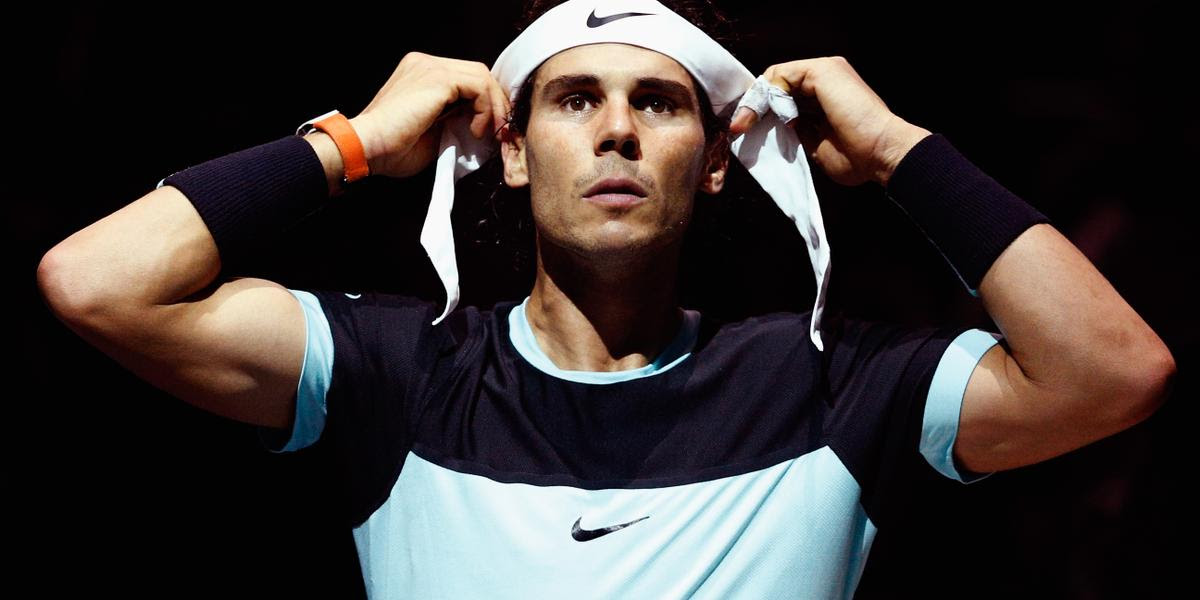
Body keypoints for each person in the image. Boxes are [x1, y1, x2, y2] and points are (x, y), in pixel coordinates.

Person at [37, 0, 1175, 598]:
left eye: (659, 103)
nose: (619, 127)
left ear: (720, 162)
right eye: (575, 99)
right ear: (514, 151)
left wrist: (898, 152)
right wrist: (348, 143)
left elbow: (1116, 371)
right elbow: (95, 283)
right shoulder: (400, 369)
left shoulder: (831, 383)